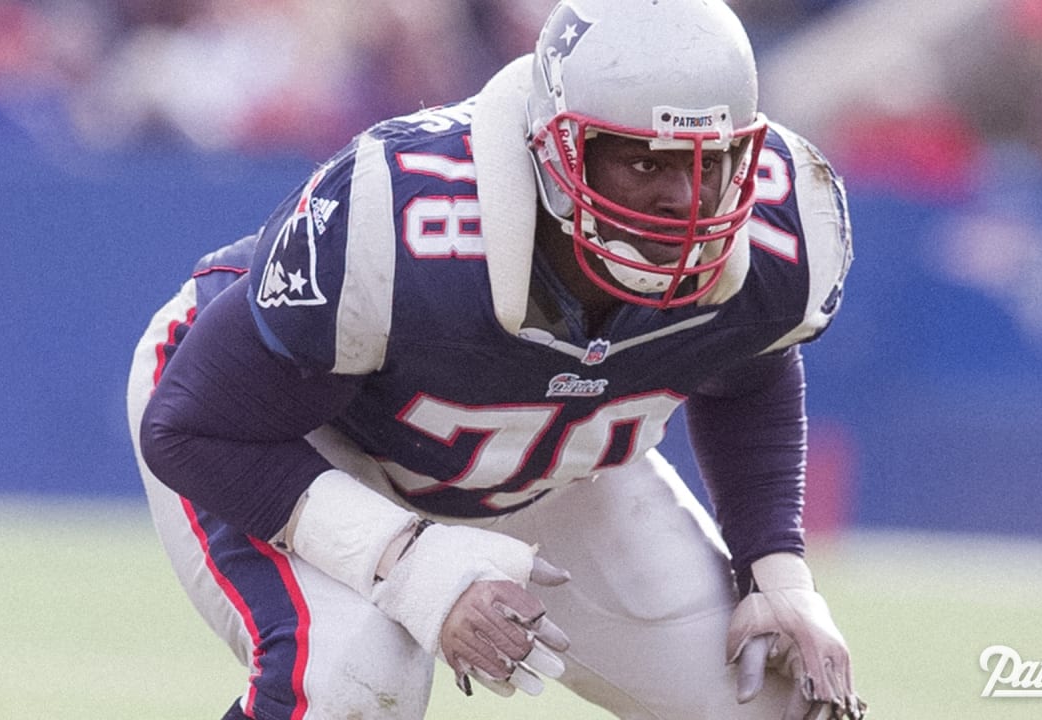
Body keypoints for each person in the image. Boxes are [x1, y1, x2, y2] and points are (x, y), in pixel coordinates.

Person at [127, 1, 866, 718]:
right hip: (290, 433)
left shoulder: (783, 228)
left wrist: (777, 568)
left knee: (777, 693)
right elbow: (192, 427)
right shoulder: (402, 218)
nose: (685, 200)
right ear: (556, 149)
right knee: (356, 676)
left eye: (713, 162)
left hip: (532, 463)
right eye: (644, 162)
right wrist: (412, 565)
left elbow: (746, 368)